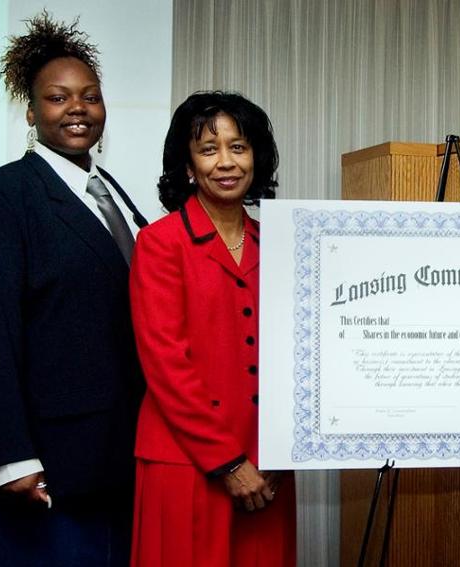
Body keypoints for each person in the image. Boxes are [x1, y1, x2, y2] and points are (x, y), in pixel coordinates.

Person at [0, 11, 147, 566]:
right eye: (58, 98)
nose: (78, 108)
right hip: (43, 473)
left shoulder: (114, 195)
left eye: (90, 96)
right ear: (32, 111)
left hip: (117, 465)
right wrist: (11, 457)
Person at [129, 91, 296, 567]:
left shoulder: (281, 243)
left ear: (256, 158)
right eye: (208, 149)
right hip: (185, 466)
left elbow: (297, 356)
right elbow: (165, 364)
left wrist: (281, 454)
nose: (226, 162)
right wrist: (228, 462)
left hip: (268, 470)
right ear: (187, 165)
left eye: (238, 147)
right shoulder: (159, 244)